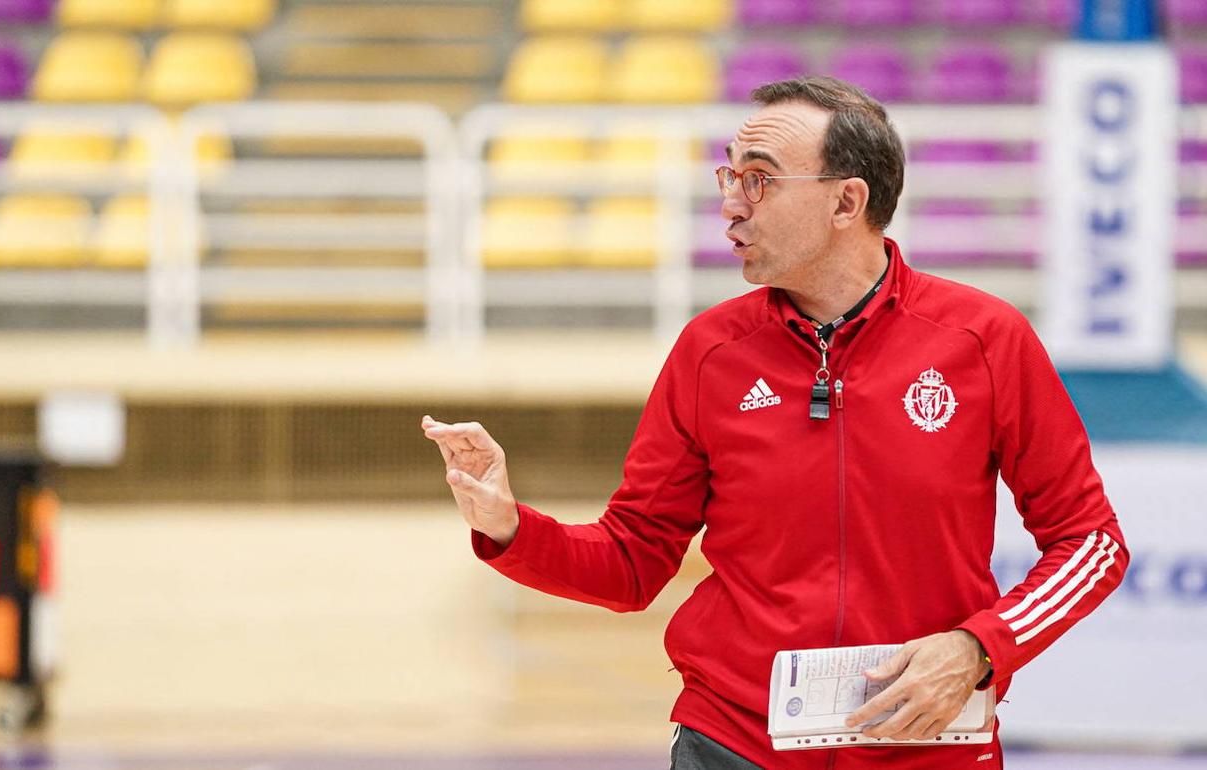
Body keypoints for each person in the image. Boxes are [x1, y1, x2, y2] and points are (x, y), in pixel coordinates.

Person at [421, 76, 1128, 769]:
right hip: (732, 742)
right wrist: (509, 526)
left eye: (758, 180)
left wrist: (979, 649)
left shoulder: (984, 338)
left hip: (928, 745)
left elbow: (1091, 542)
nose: (730, 206)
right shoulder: (710, 353)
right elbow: (632, 563)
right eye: (728, 177)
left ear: (847, 201)